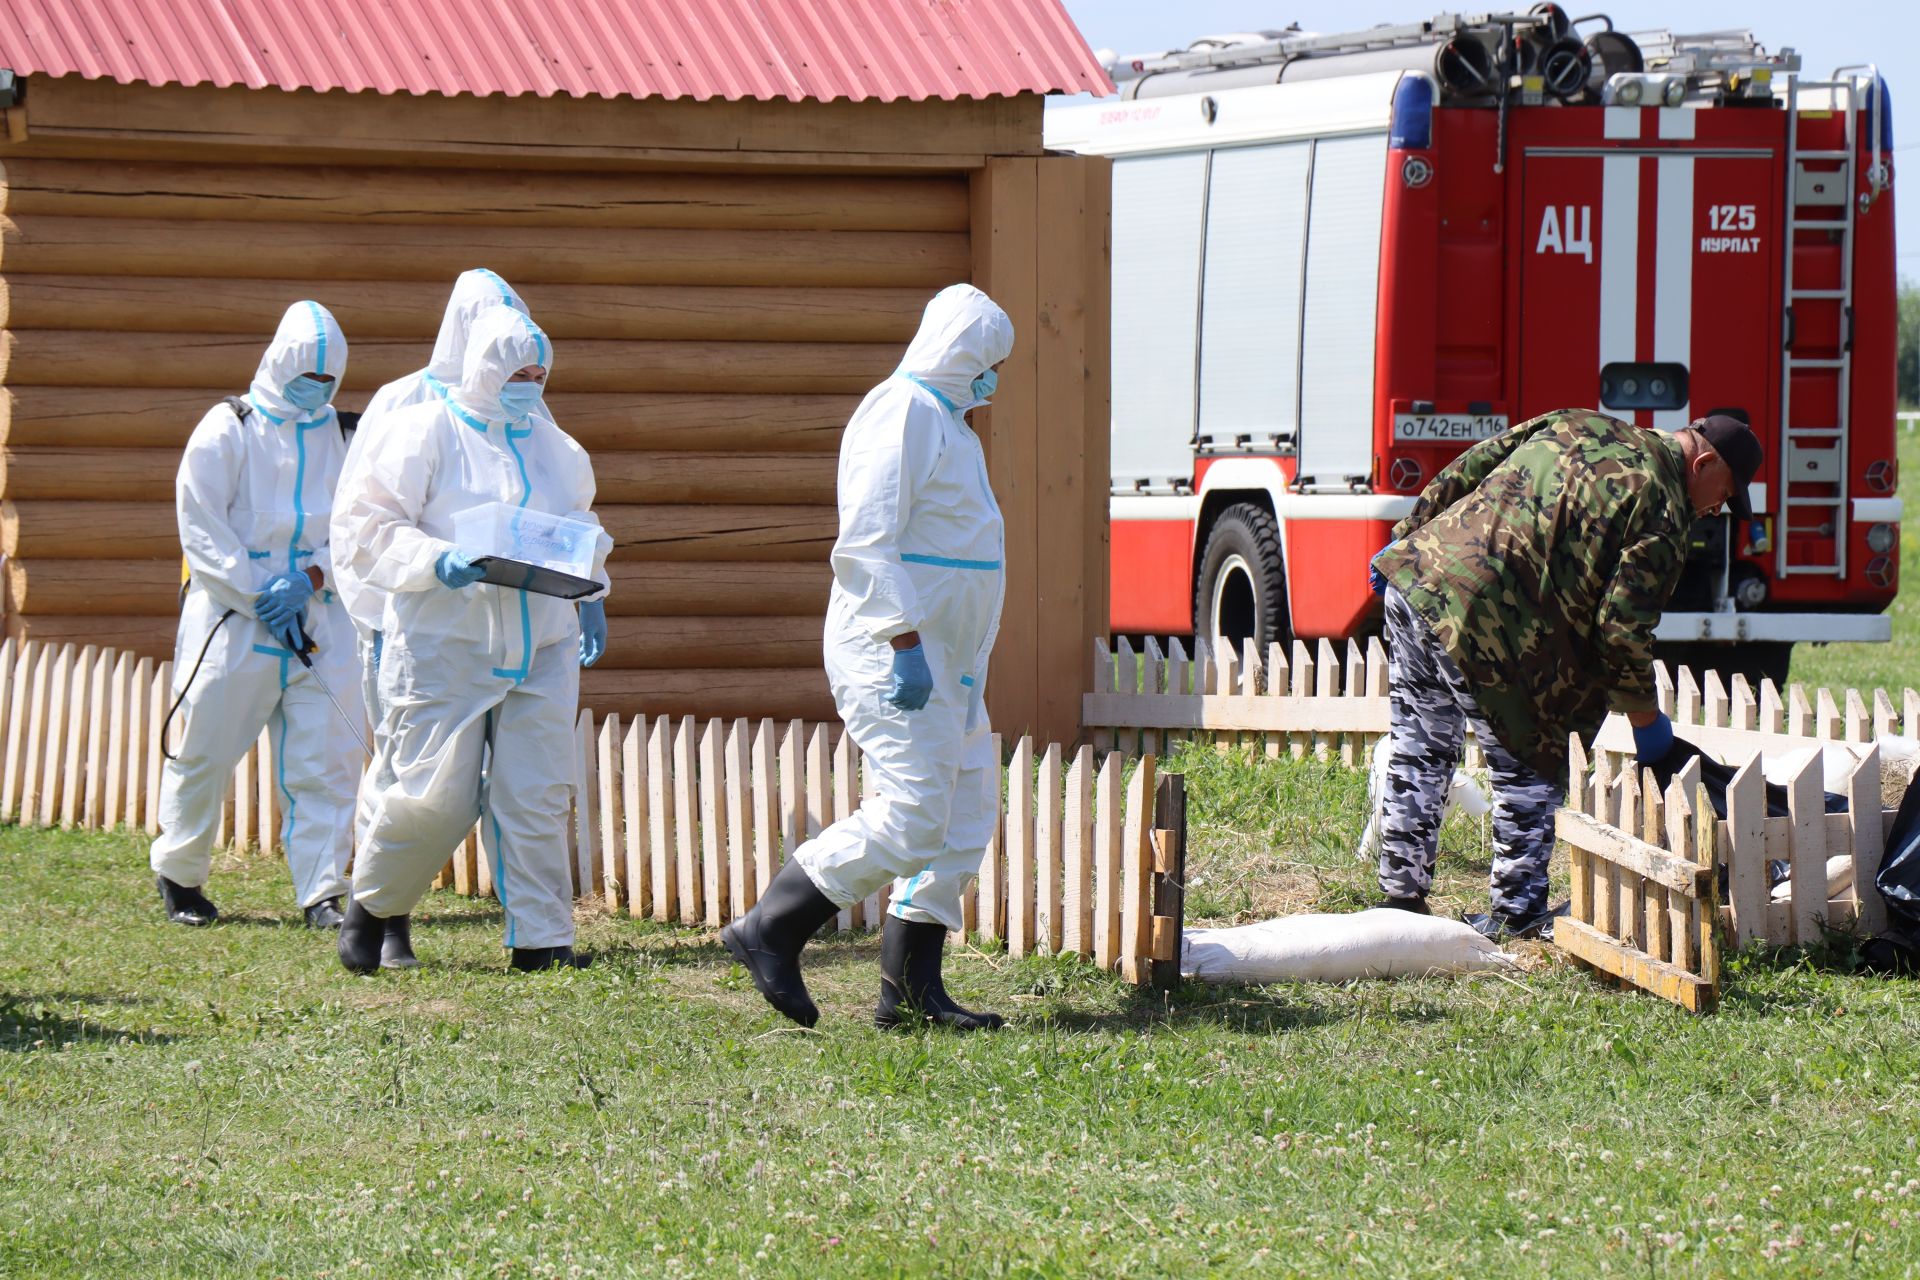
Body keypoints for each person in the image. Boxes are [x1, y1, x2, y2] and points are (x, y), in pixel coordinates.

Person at [722, 283, 1013, 1031]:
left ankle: (911, 993)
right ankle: (772, 929)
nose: (995, 380)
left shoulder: (951, 424)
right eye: (988, 362)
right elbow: (866, 540)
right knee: (914, 814)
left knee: (964, 810)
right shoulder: (903, 411)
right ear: (959, 353)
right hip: (898, 653)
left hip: (949, 659)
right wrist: (905, 643)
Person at [1368, 410, 1762, 939]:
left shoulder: (1576, 422)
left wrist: (1406, 537)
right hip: (1487, 626)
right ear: (1705, 462)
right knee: (1531, 766)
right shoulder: (1665, 513)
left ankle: (1402, 898)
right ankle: (1516, 915)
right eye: (1724, 494)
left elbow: (1468, 468)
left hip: (1418, 583)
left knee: (1419, 745)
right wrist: (1647, 723)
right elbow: (1621, 631)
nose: (1716, 509)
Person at [332, 307, 610, 974]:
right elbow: (367, 523)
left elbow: (579, 525)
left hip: (541, 642)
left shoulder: (559, 448)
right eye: (518, 372)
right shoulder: (423, 432)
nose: (530, 384)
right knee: (431, 797)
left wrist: (593, 588)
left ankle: (542, 941)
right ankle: (371, 912)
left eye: (540, 374)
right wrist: (435, 560)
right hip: (443, 645)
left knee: (536, 792)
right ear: (484, 368)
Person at [331, 269, 530, 967]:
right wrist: (382, 614)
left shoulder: (520, 404)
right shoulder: (404, 401)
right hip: (404, 620)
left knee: (446, 780)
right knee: (402, 773)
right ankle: (387, 919)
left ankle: (388, 909)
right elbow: (360, 518)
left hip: (491, 629)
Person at [151, 301, 362, 929]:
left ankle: (323, 890)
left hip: (321, 618)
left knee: (327, 757)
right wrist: (258, 593)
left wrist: (312, 578)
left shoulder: (347, 437)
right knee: (204, 751)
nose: (316, 389)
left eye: (327, 380)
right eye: (306, 376)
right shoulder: (228, 427)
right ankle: (180, 874)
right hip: (232, 620)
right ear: (277, 363)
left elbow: (361, 525)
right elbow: (202, 527)